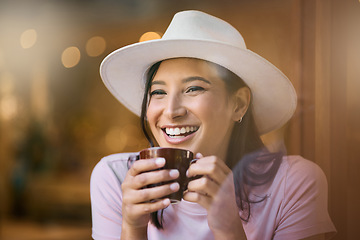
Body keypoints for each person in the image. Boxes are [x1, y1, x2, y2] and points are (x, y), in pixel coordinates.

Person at [90, 10, 336, 240]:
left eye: (193, 88)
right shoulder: (115, 178)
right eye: (158, 92)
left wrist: (230, 230)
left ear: (238, 104)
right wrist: (132, 227)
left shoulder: (293, 183)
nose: (172, 111)